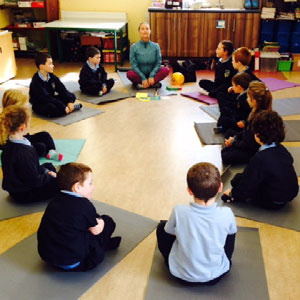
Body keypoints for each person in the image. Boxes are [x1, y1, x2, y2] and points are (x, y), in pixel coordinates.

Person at [156, 162, 237, 284]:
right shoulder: (227, 214)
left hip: (181, 275)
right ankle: (223, 260)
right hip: (216, 276)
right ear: (220, 187)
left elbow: (169, 232)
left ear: (189, 190)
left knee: (161, 227)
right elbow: (230, 238)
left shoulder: (179, 211)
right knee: (229, 234)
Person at [37, 163, 121, 271]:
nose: (93, 187)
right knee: (108, 222)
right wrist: (102, 223)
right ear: (77, 187)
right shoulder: (85, 206)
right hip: (74, 262)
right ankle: (103, 246)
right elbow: (96, 230)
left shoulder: (53, 201)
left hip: (48, 257)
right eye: (90, 183)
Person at [222, 110, 299, 209]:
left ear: (257, 135)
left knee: (237, 180)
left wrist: (232, 194)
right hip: (290, 194)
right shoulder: (282, 149)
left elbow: (246, 188)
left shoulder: (259, 159)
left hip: (272, 201)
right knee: (246, 177)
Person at [0, 105, 58, 203]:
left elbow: (29, 170)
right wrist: (49, 176)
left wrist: (45, 171)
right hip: (23, 194)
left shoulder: (9, 143)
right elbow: (34, 181)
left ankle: (49, 173)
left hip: (17, 186)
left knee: (48, 166)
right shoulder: (23, 153)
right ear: (23, 127)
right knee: (60, 183)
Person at [2, 89, 63, 160]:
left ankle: (51, 152)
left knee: (45, 135)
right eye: (25, 105)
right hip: (18, 147)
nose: (27, 106)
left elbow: (26, 135)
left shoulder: (21, 117)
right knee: (41, 147)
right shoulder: (5, 120)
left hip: (25, 139)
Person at [221, 81, 272, 165]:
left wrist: (233, 142)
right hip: (249, 140)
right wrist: (235, 137)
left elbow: (249, 144)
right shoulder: (256, 111)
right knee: (229, 132)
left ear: (254, 101)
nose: (247, 99)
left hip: (253, 149)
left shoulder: (259, 118)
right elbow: (246, 131)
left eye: (248, 97)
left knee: (225, 154)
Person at [29, 52, 82, 118]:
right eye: (50, 64)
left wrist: (69, 101)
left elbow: (62, 89)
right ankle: (68, 109)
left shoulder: (52, 76)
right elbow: (46, 97)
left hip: (51, 98)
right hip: (41, 102)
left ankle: (68, 107)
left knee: (71, 95)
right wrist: (62, 106)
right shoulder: (36, 81)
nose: (53, 66)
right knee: (51, 108)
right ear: (41, 66)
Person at [127, 22, 169, 89]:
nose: (145, 31)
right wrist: (143, 77)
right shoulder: (134, 47)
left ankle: (144, 84)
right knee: (130, 74)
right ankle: (151, 84)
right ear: (139, 31)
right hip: (139, 75)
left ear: (150, 31)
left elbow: (158, 63)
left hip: (153, 75)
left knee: (166, 70)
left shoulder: (156, 46)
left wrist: (152, 76)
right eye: (142, 29)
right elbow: (134, 65)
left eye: (147, 29)